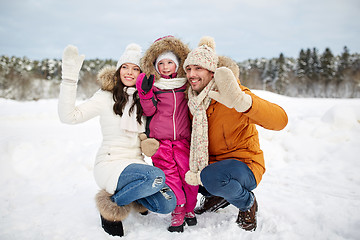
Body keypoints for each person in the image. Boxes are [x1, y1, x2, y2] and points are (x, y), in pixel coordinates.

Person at [58, 44, 176, 237]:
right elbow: (69, 116)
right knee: (155, 176)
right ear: (118, 69)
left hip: (137, 164)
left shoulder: (145, 100)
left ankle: (133, 194)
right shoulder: (106, 97)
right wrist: (69, 78)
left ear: (142, 73)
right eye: (125, 67)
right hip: (110, 163)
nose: (129, 72)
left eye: (135, 68)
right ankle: (111, 207)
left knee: (167, 204)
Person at [183, 36, 288, 231]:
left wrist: (243, 102)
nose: (192, 74)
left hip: (244, 166)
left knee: (211, 176)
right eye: (188, 69)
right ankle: (217, 195)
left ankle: (247, 203)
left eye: (198, 68)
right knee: (182, 168)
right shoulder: (193, 103)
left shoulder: (233, 94)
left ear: (212, 71)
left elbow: (280, 120)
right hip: (212, 167)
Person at [136, 36, 199, 232]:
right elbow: (148, 111)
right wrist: (145, 94)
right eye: (160, 63)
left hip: (183, 140)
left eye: (169, 62)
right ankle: (178, 210)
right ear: (155, 65)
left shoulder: (185, 85)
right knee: (170, 178)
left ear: (177, 64)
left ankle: (190, 209)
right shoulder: (154, 86)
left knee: (188, 176)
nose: (165, 67)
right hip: (161, 142)